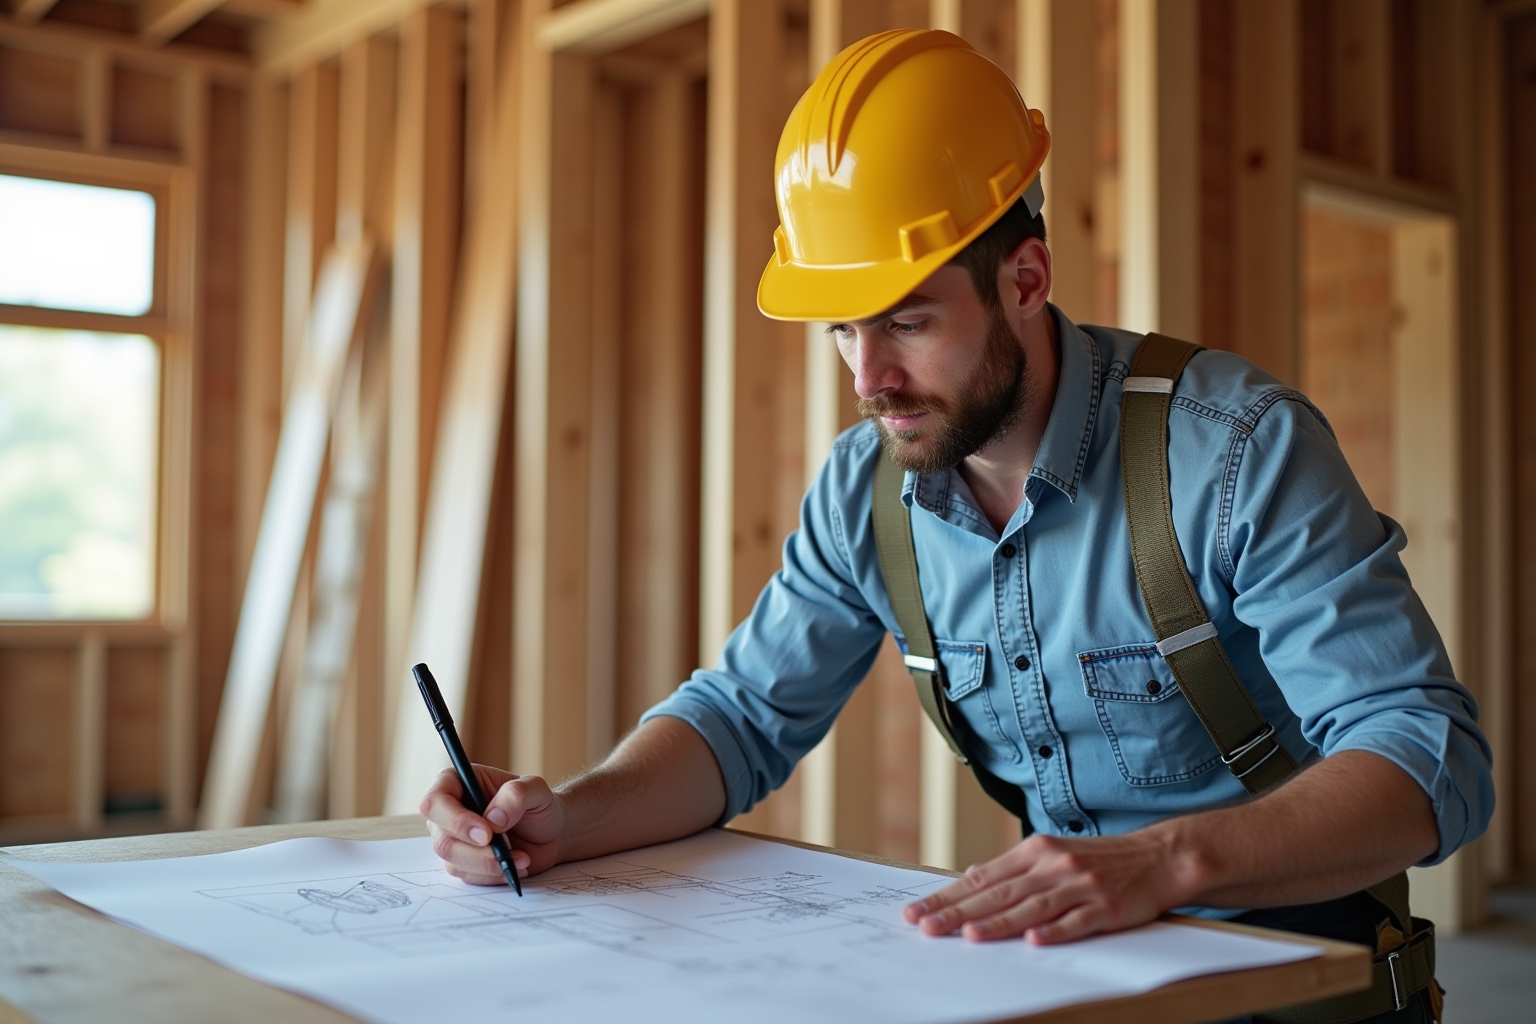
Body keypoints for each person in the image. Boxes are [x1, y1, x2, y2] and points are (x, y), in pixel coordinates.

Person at [422, 29, 1490, 1022]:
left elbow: (1428, 754)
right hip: (1065, 975)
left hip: (1300, 973)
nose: (869, 378)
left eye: (910, 321)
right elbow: (741, 718)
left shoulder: (1233, 450)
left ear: (1026, 279)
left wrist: (1163, 861)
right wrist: (570, 815)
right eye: (844, 329)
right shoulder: (866, 492)